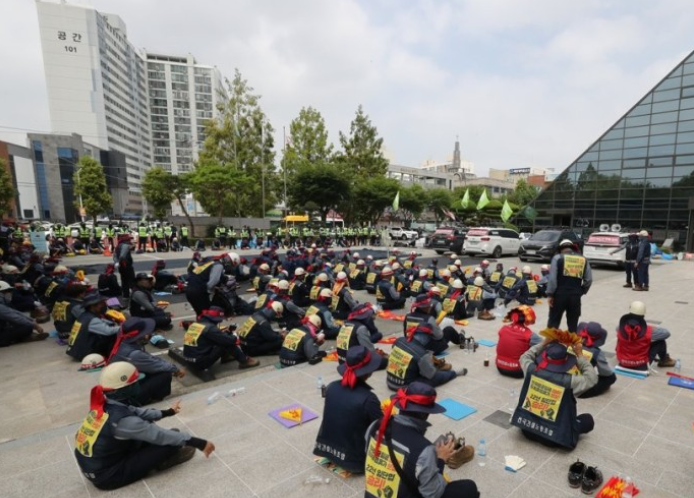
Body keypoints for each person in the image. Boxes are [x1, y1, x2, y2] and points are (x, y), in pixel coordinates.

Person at [73, 362, 215, 490]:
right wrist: (199, 442)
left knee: (167, 434)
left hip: (96, 465)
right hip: (108, 476)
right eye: (134, 382)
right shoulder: (124, 421)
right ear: (123, 389)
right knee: (171, 442)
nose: (138, 384)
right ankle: (163, 462)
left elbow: (138, 412)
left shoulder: (105, 404)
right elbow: (160, 435)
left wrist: (168, 412)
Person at [365, 382, 479, 498]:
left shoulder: (375, 426)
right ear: (426, 414)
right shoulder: (423, 449)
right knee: (469, 488)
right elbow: (432, 494)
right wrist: (440, 459)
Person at [512, 339, 597, 450]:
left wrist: (544, 343)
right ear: (566, 363)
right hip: (555, 438)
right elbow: (591, 378)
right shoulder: (569, 381)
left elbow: (525, 356)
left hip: (528, 429)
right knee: (588, 420)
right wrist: (580, 355)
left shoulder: (531, 369)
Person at [314, 345, 383, 474]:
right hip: (353, 460)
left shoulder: (331, 387)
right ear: (369, 371)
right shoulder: (369, 398)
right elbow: (382, 427)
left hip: (327, 449)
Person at [108, 318, 184, 404]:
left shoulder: (124, 341)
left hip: (123, 384)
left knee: (159, 368)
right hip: (126, 397)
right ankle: (152, 399)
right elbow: (157, 365)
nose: (149, 334)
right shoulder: (134, 354)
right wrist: (176, 369)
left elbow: (150, 359)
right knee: (165, 374)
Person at [387, 323, 464, 391]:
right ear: (427, 338)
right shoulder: (421, 354)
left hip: (390, 380)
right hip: (403, 386)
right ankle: (454, 374)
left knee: (415, 366)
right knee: (435, 378)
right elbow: (432, 375)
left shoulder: (399, 340)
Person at [183, 307, 260, 370]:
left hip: (189, 361)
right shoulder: (210, 328)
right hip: (200, 364)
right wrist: (232, 335)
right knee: (226, 342)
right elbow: (230, 340)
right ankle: (244, 361)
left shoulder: (196, 325)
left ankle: (226, 356)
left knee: (221, 338)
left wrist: (221, 334)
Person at [546, 239, 592, 333]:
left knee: (553, 322)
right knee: (573, 324)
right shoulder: (582, 259)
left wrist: (550, 294)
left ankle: (551, 344)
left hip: (559, 296)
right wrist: (581, 291)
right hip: (575, 296)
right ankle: (572, 346)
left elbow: (552, 280)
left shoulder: (557, 258)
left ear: (561, 249)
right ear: (572, 248)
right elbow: (589, 279)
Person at [616, 301, 676, 369]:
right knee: (661, 342)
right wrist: (649, 328)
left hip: (623, 362)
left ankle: (623, 357)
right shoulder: (648, 330)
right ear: (643, 315)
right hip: (642, 364)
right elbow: (666, 333)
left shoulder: (620, 328)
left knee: (620, 338)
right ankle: (664, 360)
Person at [66, 293, 121, 360]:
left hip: (76, 350)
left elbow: (100, 321)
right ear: (93, 306)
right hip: (84, 354)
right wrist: (123, 326)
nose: (103, 305)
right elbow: (109, 331)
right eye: (100, 303)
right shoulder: (92, 320)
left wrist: (112, 322)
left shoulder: (84, 315)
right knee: (113, 335)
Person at [335, 303, 388, 369]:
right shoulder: (361, 328)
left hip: (342, 361)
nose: (371, 318)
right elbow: (370, 351)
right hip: (353, 362)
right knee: (385, 361)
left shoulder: (345, 323)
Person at [496, 306, 541, 378]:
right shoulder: (529, 334)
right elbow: (544, 344)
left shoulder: (503, 329)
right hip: (518, 371)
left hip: (500, 367)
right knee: (540, 350)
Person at [0, 280, 48, 346]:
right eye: (6, 291)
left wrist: (31, 320)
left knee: (23, 323)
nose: (9, 293)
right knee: (27, 326)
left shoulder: (3, 303)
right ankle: (24, 337)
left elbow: (14, 312)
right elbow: (14, 317)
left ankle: (26, 336)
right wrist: (33, 325)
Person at [576, 321, 617, 398]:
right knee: (611, 377)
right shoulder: (596, 352)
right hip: (578, 389)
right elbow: (605, 372)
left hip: (561, 382)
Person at [114, 234, 135, 300]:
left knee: (124, 281)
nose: (130, 240)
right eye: (129, 239)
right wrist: (120, 261)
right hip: (126, 265)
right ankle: (135, 295)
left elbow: (114, 256)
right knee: (132, 280)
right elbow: (122, 256)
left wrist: (116, 262)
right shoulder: (125, 246)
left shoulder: (118, 246)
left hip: (121, 266)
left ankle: (126, 296)